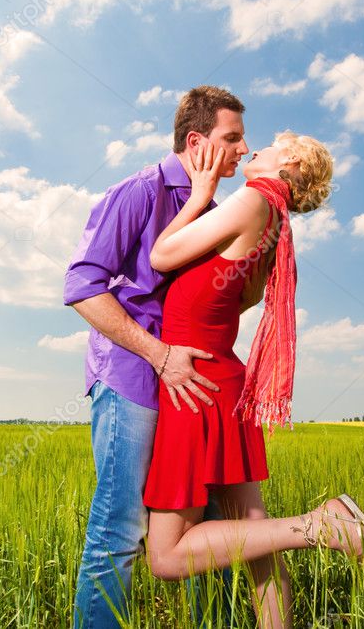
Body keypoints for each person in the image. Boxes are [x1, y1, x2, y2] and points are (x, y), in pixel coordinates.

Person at [141, 133, 364, 629]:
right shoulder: (275, 223)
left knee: (167, 557)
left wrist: (198, 194)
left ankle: (318, 525)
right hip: (221, 379)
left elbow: (161, 256)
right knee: (255, 533)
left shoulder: (254, 199)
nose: (254, 148)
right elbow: (240, 299)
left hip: (193, 385)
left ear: (294, 161)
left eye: (273, 144)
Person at [64, 86, 258, 628]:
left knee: (210, 523)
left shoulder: (218, 212)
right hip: (132, 378)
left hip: (193, 385)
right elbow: (82, 285)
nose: (243, 149)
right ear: (196, 143)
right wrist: (158, 353)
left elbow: (226, 299)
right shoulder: (138, 192)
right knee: (121, 529)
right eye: (232, 138)